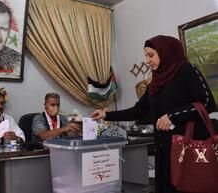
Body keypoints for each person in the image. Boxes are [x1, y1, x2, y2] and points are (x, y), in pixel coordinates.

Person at [91, 35, 216, 193]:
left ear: (166, 53)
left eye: (151, 55)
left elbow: (207, 103)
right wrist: (106, 115)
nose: (147, 60)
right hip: (164, 149)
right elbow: (137, 111)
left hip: (188, 148)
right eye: (146, 56)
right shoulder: (155, 83)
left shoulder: (186, 70)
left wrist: (172, 115)